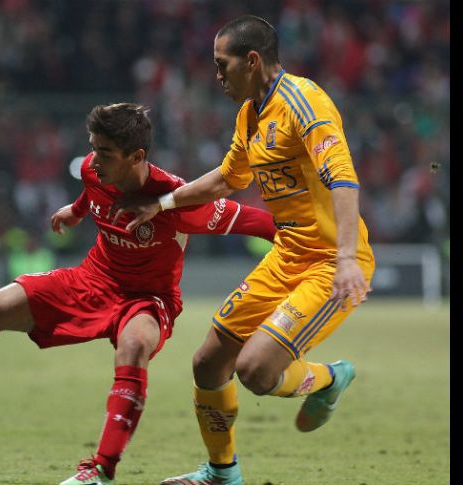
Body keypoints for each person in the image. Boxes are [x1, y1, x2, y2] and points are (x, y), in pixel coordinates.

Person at [0, 103, 277, 485]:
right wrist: (75, 212)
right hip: (91, 279)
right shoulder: (92, 170)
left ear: (136, 156)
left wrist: (306, 241)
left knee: (133, 348)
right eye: (92, 147)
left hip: (147, 299)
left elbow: (257, 221)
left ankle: (100, 469)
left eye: (105, 153)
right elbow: (91, 193)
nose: (93, 160)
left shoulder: (177, 199)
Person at [110, 16, 375, 485]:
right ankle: (221, 472)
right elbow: (226, 180)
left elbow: (342, 178)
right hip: (286, 255)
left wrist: (348, 259)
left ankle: (331, 377)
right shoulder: (250, 115)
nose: (216, 75)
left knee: (255, 370)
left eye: (222, 64)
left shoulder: (305, 103)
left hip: (327, 263)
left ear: (251, 61)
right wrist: (163, 203)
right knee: (208, 363)